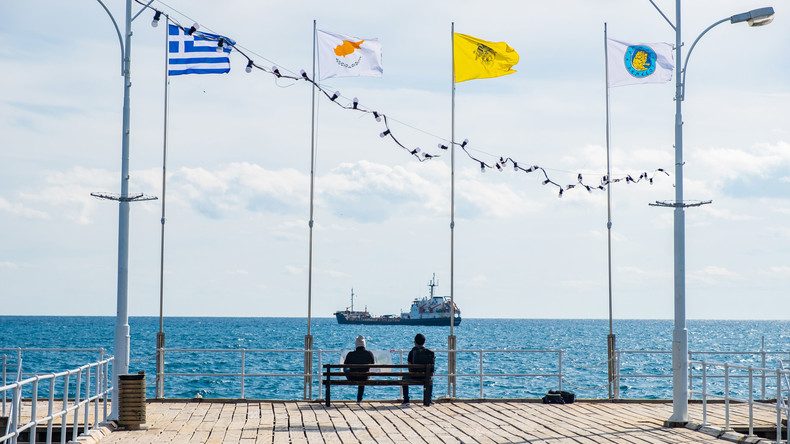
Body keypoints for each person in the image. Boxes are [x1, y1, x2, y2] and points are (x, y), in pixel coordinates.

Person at [402, 333, 435, 406]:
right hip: (425, 377)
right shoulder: (430, 353)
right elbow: (431, 371)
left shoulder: (411, 352)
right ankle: (429, 399)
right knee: (430, 378)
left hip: (414, 376)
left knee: (404, 378)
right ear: (424, 342)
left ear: (415, 342)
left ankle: (406, 400)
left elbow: (409, 367)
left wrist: (414, 373)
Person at [343, 335, 375, 404]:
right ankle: (359, 399)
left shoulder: (350, 354)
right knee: (363, 373)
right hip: (364, 377)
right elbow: (373, 364)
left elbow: (345, 364)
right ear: (364, 344)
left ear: (356, 344)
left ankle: (349, 378)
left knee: (345, 369)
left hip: (352, 377)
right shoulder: (369, 353)